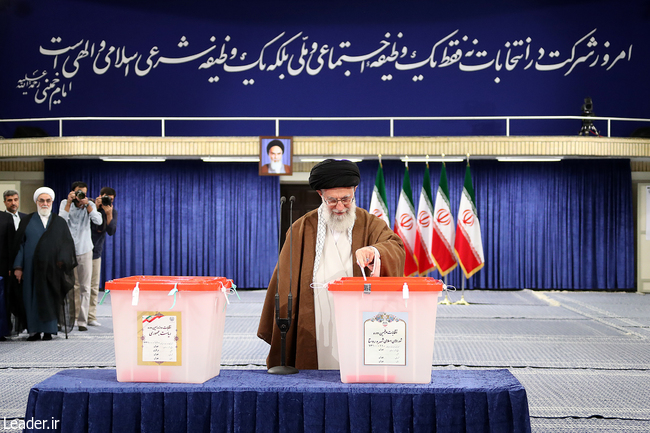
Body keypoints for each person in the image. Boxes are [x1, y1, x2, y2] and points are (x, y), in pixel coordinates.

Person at [257, 159, 406, 370]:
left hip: (357, 311)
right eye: (332, 200)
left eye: (346, 199)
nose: (340, 206)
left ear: (354, 190)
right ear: (320, 195)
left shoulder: (371, 223)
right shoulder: (301, 228)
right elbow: (283, 282)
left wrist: (375, 252)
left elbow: (395, 246)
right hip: (314, 312)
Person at [13, 187, 77, 341]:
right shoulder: (27, 220)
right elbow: (20, 245)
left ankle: (49, 330)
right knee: (31, 298)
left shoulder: (59, 222)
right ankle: (34, 331)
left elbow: (66, 244)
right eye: (41, 200)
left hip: (52, 269)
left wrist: (62, 261)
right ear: (36, 202)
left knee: (50, 298)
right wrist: (18, 267)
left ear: (52, 202)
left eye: (48, 200)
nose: (44, 203)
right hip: (30, 270)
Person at [59, 181, 102, 332]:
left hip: (85, 249)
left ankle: (82, 321)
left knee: (85, 286)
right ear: (72, 193)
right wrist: (69, 202)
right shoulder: (65, 202)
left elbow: (98, 221)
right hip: (68, 250)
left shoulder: (89, 204)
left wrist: (89, 205)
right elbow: (60, 222)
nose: (80, 196)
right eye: (78, 193)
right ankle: (69, 318)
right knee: (69, 285)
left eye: (83, 193)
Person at [88, 187, 117, 327]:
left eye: (110, 200)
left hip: (96, 252)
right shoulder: (89, 206)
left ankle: (91, 316)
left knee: (93, 287)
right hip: (81, 250)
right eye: (105, 198)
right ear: (99, 196)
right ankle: (75, 316)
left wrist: (108, 214)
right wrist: (95, 207)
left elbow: (111, 231)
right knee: (78, 286)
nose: (107, 201)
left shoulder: (111, 211)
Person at [2, 190, 27, 337]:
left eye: (15, 200)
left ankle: (24, 325)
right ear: (5, 202)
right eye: (10, 200)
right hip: (7, 266)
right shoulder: (2, 219)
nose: (13, 203)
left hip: (24, 264)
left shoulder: (26, 218)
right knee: (8, 297)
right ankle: (8, 327)